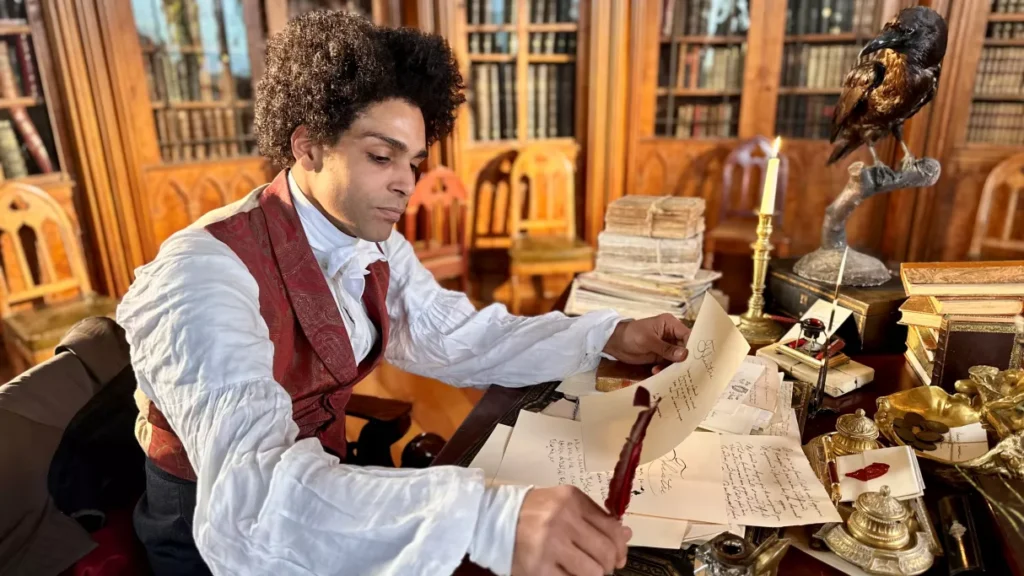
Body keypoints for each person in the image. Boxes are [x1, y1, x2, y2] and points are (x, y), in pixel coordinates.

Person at [117, 11, 692, 576]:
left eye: (414, 163)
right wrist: (485, 519)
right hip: (216, 539)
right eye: (380, 157)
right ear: (308, 147)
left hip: (328, 494)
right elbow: (250, 497)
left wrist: (610, 334)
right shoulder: (201, 274)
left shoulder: (372, 242)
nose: (406, 184)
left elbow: (456, 336)